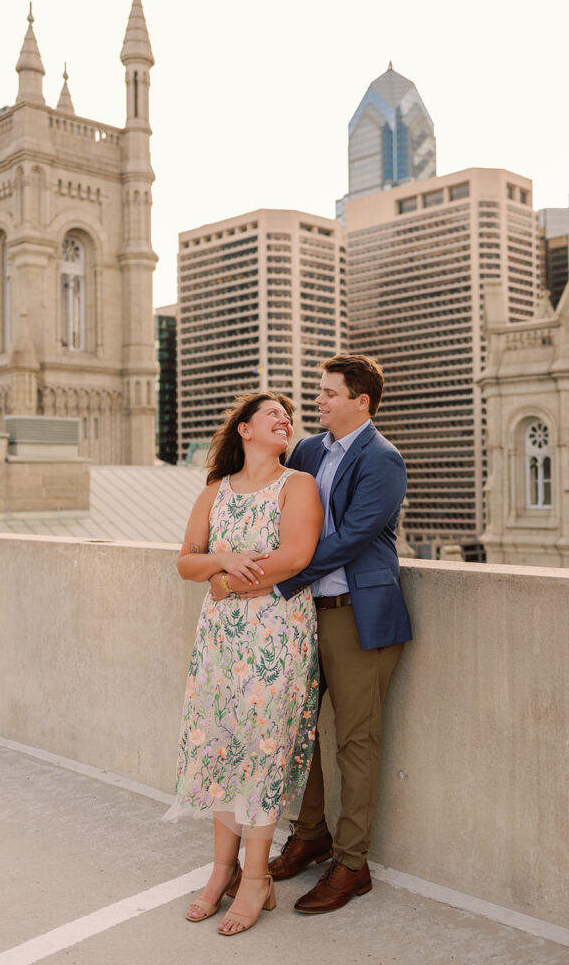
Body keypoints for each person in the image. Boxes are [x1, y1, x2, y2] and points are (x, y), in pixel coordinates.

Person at [209, 354, 412, 914]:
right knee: (298, 731)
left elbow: (346, 540)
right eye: (318, 393)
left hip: (355, 614)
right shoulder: (307, 451)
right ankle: (311, 833)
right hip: (301, 616)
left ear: (360, 402)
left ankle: (352, 864)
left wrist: (270, 577)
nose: (317, 401)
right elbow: (279, 514)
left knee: (356, 738)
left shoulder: (383, 460)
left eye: (328, 393)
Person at [164, 392, 323, 936]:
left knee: (262, 747)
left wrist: (227, 583)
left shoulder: (297, 484)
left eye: (290, 417)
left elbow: (296, 556)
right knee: (224, 743)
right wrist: (222, 558)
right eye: (273, 414)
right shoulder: (214, 491)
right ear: (245, 430)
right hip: (220, 642)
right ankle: (221, 871)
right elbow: (187, 561)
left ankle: (256, 878)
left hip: (277, 633)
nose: (286, 420)